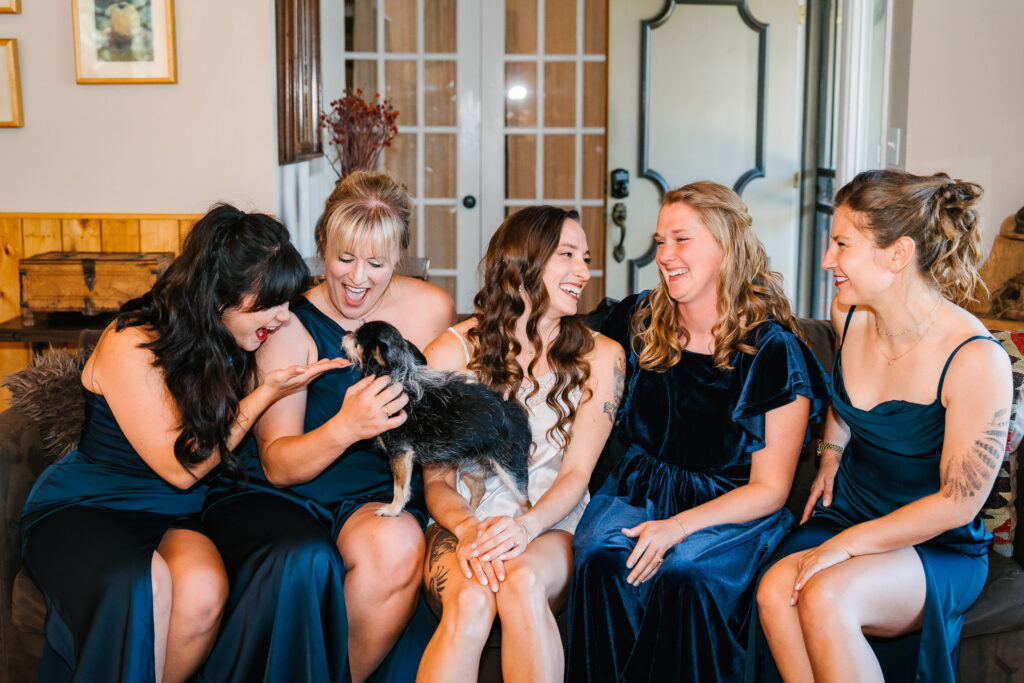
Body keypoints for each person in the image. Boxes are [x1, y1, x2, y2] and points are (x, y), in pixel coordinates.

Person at [20, 205, 336, 682]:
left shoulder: (224, 341)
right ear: (220, 293)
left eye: (287, 302)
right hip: (91, 504)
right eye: (271, 303)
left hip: (173, 509)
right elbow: (182, 467)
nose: (284, 317)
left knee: (204, 590)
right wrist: (266, 393)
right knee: (140, 583)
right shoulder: (131, 342)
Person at [753, 170, 1013, 683]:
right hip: (851, 511)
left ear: (898, 255)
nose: (827, 260)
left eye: (842, 244)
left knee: (826, 596)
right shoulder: (847, 314)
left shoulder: (975, 359)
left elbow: (957, 503)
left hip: (934, 540)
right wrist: (830, 453)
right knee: (775, 592)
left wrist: (848, 545)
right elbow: (845, 400)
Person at [567, 181, 830, 682]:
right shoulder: (642, 318)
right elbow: (557, 336)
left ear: (726, 245)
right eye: (660, 241)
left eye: (681, 240)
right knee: (602, 558)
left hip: (732, 507)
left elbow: (770, 490)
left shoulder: (772, 351)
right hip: (640, 490)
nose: (665, 255)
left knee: (687, 574)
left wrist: (679, 527)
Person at [199, 170, 456, 683]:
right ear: (322, 246)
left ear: (399, 256)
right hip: (288, 495)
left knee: (397, 546)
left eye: (376, 263)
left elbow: (440, 415)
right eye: (345, 258)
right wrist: (347, 425)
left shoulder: (431, 309)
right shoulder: (288, 321)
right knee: (302, 559)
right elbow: (277, 464)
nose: (358, 278)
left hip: (375, 494)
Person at [415, 206, 624, 683]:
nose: (583, 272)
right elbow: (438, 482)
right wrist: (470, 529)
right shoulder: (448, 354)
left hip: (552, 521)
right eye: (567, 255)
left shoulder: (603, 357)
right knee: (470, 601)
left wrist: (525, 528)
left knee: (522, 582)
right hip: (461, 521)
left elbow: (576, 475)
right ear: (522, 261)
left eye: (585, 258)